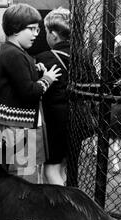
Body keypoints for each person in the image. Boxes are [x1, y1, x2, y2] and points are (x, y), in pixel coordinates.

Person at [0, 3, 61, 184]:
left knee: (3, 171)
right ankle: (19, 210)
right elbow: (29, 92)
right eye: (32, 29)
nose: (37, 33)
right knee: (20, 179)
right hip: (14, 127)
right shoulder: (14, 55)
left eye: (37, 29)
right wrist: (47, 79)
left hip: (7, 124)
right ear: (15, 29)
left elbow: (18, 78)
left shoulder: (12, 51)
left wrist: (34, 70)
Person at [34, 7, 70, 185]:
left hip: (54, 122)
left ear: (54, 35)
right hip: (78, 120)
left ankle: (65, 207)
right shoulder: (82, 57)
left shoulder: (44, 58)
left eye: (46, 32)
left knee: (51, 169)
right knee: (64, 166)